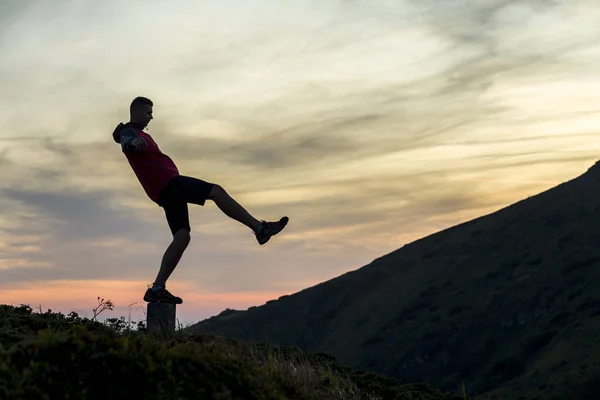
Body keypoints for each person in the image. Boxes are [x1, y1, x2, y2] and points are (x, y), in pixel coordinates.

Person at [112, 96, 289, 304]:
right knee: (217, 192)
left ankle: (157, 288)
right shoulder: (130, 132)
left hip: (163, 191)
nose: (152, 117)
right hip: (169, 184)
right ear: (137, 112)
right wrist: (134, 144)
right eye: (148, 112)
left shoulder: (134, 132)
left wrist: (136, 142)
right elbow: (127, 144)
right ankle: (260, 229)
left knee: (182, 236)